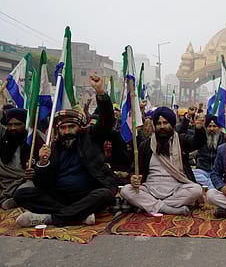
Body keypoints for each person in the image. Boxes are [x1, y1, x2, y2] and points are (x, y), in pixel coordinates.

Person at [14, 74, 117, 227]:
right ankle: (79, 215)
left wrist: (101, 93)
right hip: (58, 196)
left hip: (87, 193)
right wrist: (42, 163)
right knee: (21, 194)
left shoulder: (90, 136)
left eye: (71, 127)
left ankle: (50, 218)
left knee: (105, 195)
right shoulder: (52, 147)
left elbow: (107, 120)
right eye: (62, 128)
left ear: (79, 127)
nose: (67, 131)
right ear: (58, 130)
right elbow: (42, 183)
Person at [120, 107, 206, 215]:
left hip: (176, 189)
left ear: (172, 124)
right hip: (150, 189)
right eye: (158, 123)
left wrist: (199, 129)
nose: (162, 127)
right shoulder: (146, 146)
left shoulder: (181, 141)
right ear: (154, 126)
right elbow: (135, 170)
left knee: (196, 189)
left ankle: (151, 206)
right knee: (126, 190)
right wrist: (133, 178)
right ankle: (169, 209)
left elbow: (198, 142)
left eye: (165, 123)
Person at [0, 109, 44, 209]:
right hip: (5, 180)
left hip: (25, 181)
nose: (13, 128)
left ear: (26, 124)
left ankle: (16, 199)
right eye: (10, 124)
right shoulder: (4, 138)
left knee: (26, 190)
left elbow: (46, 168)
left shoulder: (35, 140)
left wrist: (35, 171)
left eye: (17, 124)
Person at [193, 115, 225, 189]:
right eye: (209, 126)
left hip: (217, 172)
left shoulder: (224, 139)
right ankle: (210, 184)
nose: (211, 129)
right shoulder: (201, 138)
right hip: (202, 171)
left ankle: (209, 185)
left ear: (220, 128)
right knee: (191, 174)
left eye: (214, 126)